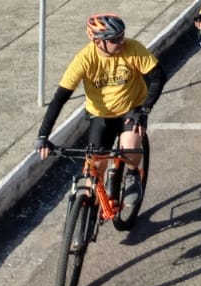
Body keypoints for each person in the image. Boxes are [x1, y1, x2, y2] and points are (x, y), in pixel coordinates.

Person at [36, 15, 161, 210]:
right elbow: (60, 98)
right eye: (114, 39)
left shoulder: (133, 49)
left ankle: (133, 173)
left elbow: (159, 77)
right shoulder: (84, 59)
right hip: (100, 115)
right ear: (97, 42)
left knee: (130, 147)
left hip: (131, 108)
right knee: (94, 169)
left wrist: (144, 110)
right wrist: (43, 135)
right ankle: (84, 214)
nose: (121, 42)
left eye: (122, 36)